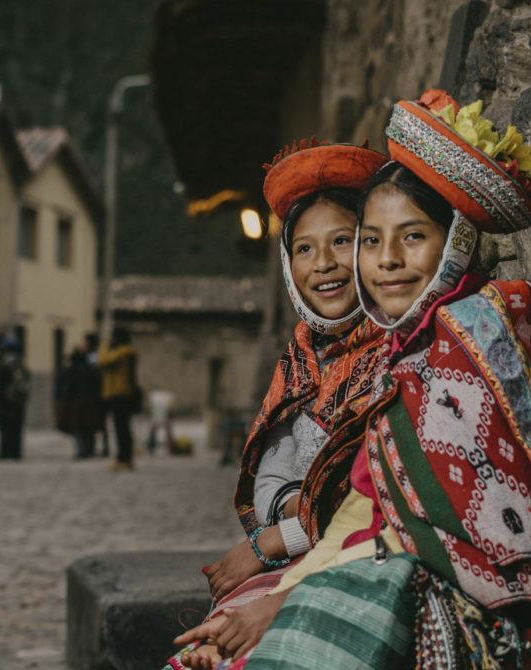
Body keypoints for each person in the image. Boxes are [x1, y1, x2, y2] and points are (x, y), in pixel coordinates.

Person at [177, 90, 531, 669]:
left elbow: (451, 536)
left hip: (454, 603)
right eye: (371, 240)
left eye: (412, 236)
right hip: (372, 568)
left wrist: (285, 597)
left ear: (457, 241)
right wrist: (279, 594)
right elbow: (362, 508)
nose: (384, 260)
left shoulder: (467, 340)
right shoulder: (407, 344)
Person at [167, 139, 389, 670]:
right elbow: (284, 489)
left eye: (342, 240)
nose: (325, 264)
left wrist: (272, 541)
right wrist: (280, 528)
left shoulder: (394, 350)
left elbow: (378, 500)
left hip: (358, 563)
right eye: (305, 249)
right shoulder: (301, 357)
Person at [98, 327, 139, 470]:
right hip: (120, 393)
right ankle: (124, 457)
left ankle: (123, 458)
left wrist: (104, 346)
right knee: (122, 427)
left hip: (120, 394)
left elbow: (104, 360)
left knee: (121, 428)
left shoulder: (123, 352)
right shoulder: (127, 352)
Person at [58, 346, 103, 459]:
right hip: (90, 401)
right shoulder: (91, 370)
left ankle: (82, 449)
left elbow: (68, 386)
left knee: (79, 428)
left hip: (77, 401)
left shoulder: (73, 370)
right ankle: (88, 449)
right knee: (88, 427)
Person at [0, 337, 30, 459]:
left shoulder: (3, 364)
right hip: (19, 401)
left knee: (5, 427)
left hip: (5, 400)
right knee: (16, 428)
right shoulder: (22, 365)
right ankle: (16, 453)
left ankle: (5, 452)